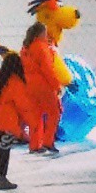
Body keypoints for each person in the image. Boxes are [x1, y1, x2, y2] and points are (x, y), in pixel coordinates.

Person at [0, 52, 35, 190]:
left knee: (0, 146)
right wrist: (32, 124)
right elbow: (24, 107)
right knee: (4, 149)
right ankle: (2, 178)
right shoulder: (16, 82)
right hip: (6, 124)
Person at [20, 22, 63, 154]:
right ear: (41, 33)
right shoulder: (42, 47)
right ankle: (48, 141)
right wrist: (56, 85)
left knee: (35, 115)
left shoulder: (25, 49)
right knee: (54, 112)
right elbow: (47, 69)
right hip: (43, 85)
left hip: (29, 85)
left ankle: (35, 145)